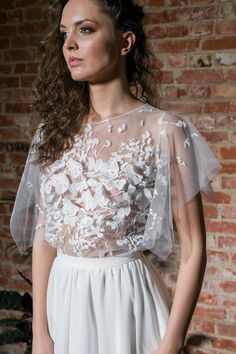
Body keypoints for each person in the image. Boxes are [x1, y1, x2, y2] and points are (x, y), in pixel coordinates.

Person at [10, 0, 221, 353]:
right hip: (64, 300)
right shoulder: (52, 131)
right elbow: (45, 235)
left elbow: (194, 247)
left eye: (86, 29)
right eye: (64, 34)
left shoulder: (165, 130)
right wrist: (41, 334)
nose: (70, 45)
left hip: (126, 301)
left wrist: (171, 342)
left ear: (125, 43)